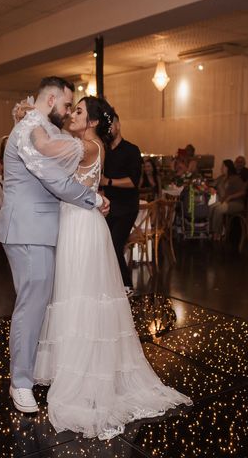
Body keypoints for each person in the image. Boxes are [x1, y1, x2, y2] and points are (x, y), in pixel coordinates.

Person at [33, 96, 191, 440]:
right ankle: (75, 364)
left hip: (80, 227)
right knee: (77, 293)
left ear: (91, 121)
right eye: (72, 109)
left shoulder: (87, 146)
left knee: (82, 294)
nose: (72, 115)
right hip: (79, 221)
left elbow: (45, 153)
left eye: (77, 111)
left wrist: (35, 118)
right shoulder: (91, 143)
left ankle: (86, 372)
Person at [0, 76, 109, 416]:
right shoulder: (31, 129)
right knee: (31, 306)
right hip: (28, 229)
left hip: (39, 229)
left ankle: (27, 374)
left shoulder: (41, 125)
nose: (68, 111)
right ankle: (21, 382)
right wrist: (93, 197)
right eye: (66, 105)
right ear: (51, 100)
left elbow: (67, 157)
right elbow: (55, 180)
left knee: (37, 303)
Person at [100, 113, 142, 296]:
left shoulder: (132, 150)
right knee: (104, 244)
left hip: (127, 208)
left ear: (118, 124)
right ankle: (111, 284)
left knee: (115, 244)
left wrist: (107, 181)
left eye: (110, 125)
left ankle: (127, 285)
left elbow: (133, 181)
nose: (108, 129)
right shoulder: (105, 150)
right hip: (109, 207)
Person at [209, 159, 246, 240]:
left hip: (236, 203)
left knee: (218, 209)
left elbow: (243, 192)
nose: (221, 168)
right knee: (211, 207)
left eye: (223, 166)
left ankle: (217, 233)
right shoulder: (221, 178)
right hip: (224, 202)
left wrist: (231, 197)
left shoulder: (235, 178)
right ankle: (212, 230)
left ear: (228, 168)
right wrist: (211, 188)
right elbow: (211, 185)